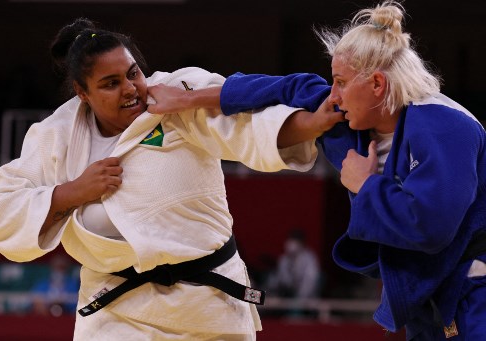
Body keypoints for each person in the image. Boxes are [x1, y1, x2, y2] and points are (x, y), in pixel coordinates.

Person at [0, 18, 343, 340]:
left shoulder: (176, 94)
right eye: (109, 83)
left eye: (132, 73)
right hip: (116, 311)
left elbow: (247, 122)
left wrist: (313, 123)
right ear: (82, 92)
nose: (130, 88)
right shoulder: (56, 135)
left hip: (209, 305)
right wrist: (71, 193)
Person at [146, 2, 486, 339]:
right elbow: (280, 88)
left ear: (378, 85)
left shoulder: (444, 127)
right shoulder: (343, 121)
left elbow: (431, 227)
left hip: (474, 285)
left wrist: (365, 184)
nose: (333, 95)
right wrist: (186, 100)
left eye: (340, 82)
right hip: (429, 297)